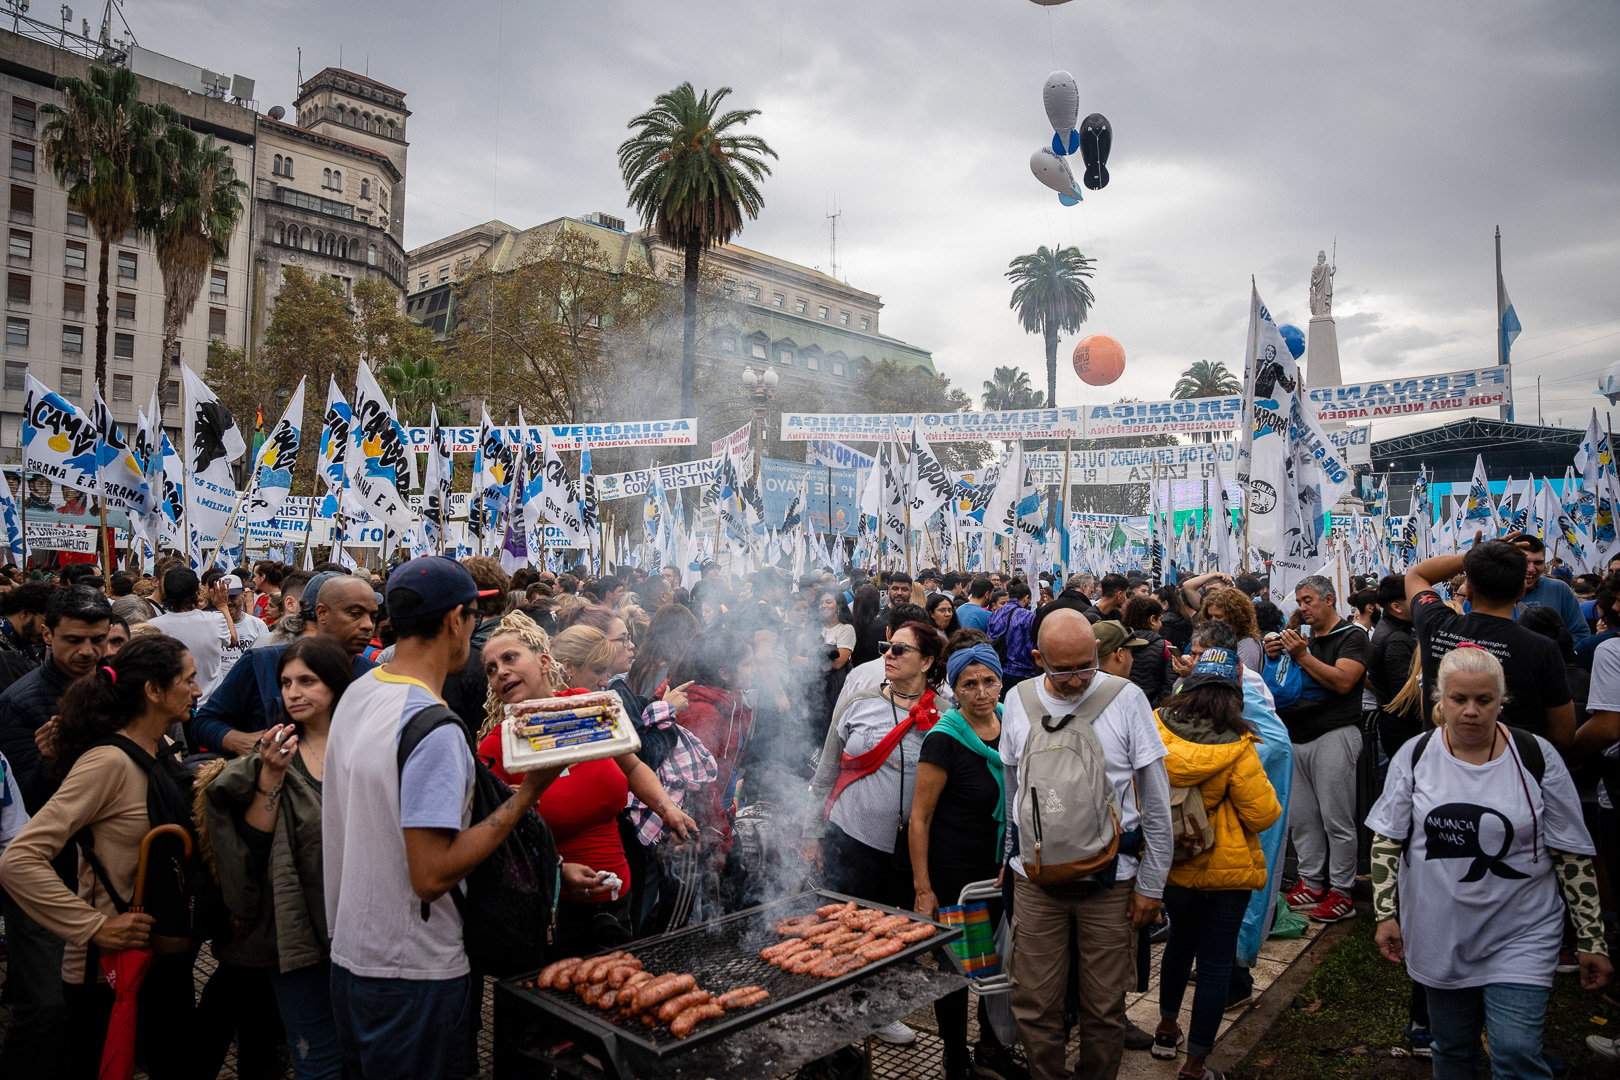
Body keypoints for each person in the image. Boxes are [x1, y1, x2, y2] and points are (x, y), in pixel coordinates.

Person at [322, 556, 561, 1080]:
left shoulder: (360, 693)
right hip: (413, 971)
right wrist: (527, 795)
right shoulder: (434, 727)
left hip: (350, 958)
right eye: (475, 620)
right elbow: (431, 875)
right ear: (456, 620)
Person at [1368, 646, 1610, 1079]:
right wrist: (1386, 913)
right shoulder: (1416, 755)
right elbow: (1387, 840)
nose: (1472, 711)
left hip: (1522, 932)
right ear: (1439, 697)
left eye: (1485, 700)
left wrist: (1591, 938)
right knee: (1454, 1050)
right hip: (1439, 931)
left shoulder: (1536, 756)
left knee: (1516, 1054)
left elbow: (1571, 854)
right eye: (1459, 699)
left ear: (1503, 700)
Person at [0, 637, 202, 1080]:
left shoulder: (160, 744)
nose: (198, 690)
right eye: (188, 680)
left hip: (157, 962)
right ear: (153, 690)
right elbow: (19, 859)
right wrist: (96, 926)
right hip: (107, 973)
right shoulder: (107, 761)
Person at [1002, 609, 1173, 1080]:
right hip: (1037, 883)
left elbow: (1156, 800)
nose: (1078, 680)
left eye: (1087, 666)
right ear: (1039, 659)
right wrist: (1007, 859)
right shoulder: (1017, 700)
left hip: (1111, 883)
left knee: (1104, 1008)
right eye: (1064, 670)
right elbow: (1013, 789)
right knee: (1034, 1004)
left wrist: (1152, 884)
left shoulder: (1127, 698)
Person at [476, 611, 695, 948]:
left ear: (545, 662)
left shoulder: (585, 709)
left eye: (510, 658)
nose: (500, 671)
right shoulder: (497, 747)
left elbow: (633, 767)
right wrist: (556, 872)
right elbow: (488, 843)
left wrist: (666, 808)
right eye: (491, 669)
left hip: (619, 897)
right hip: (552, 914)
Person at [197, 636, 354, 1080]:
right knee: (315, 1057)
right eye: (286, 682)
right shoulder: (277, 750)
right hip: (298, 926)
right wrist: (271, 776)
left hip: (360, 923)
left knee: (360, 1045)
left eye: (308, 681)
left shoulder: (368, 745)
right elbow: (253, 845)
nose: (294, 692)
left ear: (337, 685)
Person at [806, 620, 944, 1046]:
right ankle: (835, 1003)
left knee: (889, 928)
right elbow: (827, 770)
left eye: (901, 650)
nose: (888, 654)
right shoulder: (859, 702)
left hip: (908, 847)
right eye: (887, 646)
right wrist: (811, 832)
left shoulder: (948, 712)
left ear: (927, 661)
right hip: (851, 835)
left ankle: (877, 1008)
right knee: (843, 924)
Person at [1150, 648, 1281, 1080]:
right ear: (1235, 693)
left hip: (1175, 861)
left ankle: (1166, 1030)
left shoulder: (1157, 727)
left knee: (1178, 944)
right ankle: (1196, 1066)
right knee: (1215, 964)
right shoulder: (1240, 746)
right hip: (1227, 871)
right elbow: (1262, 815)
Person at [0, 585, 110, 1074]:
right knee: (45, 1003)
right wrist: (47, 762)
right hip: (48, 875)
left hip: (105, 871)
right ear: (47, 633)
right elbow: (18, 807)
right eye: (74, 641)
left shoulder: (116, 688)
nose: (87, 652)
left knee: (93, 998)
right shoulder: (21, 702)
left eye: (99, 640)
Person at [909, 641, 1019, 1080]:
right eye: (968, 684)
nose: (981, 692)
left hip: (1003, 869)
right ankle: (956, 1061)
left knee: (1001, 966)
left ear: (1001, 680)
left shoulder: (1014, 725)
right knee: (958, 970)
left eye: (989, 680)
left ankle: (992, 1047)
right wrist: (924, 888)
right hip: (958, 877)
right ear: (954, 689)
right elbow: (919, 818)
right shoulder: (944, 739)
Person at [1405, 536, 1575, 746]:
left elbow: (1417, 573)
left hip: (1441, 765)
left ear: (1469, 592)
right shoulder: (1543, 649)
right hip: (1513, 767)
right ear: (1521, 591)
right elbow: (1563, 734)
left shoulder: (1436, 624)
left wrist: (1477, 555)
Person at [1267, 575, 1368, 924]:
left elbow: (1343, 682)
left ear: (1329, 599)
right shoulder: (1302, 638)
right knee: (1302, 819)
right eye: (1300, 600)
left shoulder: (1353, 636)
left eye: (1309, 599)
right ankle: (1311, 883)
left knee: (1336, 819)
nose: (1303, 607)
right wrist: (1275, 657)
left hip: (1334, 734)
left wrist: (1301, 655)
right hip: (1296, 736)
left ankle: (1341, 892)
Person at [192, 576, 380, 757]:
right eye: (355, 614)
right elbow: (204, 723)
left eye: (373, 616)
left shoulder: (375, 678)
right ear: (322, 613)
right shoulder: (263, 663)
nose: (368, 625)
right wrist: (240, 741)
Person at [150, 567, 238, 701]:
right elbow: (232, 640)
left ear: (165, 594)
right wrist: (222, 607)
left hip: (173, 704)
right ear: (197, 594)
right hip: (210, 703)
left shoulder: (153, 626)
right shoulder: (215, 620)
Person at [1367, 573, 1420, 757]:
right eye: (1415, 598)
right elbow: (1406, 695)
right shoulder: (1395, 639)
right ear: (1396, 607)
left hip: (1398, 727)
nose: (1421, 602)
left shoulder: (1393, 629)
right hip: (1405, 731)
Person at [1512, 533, 1591, 645]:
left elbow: (1581, 634)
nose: (1531, 569)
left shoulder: (1559, 589)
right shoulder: (1492, 591)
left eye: (1538, 562)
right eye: (1524, 562)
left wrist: (1554, 654)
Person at [212, 572, 269, 683]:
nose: (228, 602)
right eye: (225, 598)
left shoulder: (257, 625)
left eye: (233, 597)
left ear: (243, 595)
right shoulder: (211, 624)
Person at [1123, 596, 1176, 705]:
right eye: (1160, 619)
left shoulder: (1117, 643)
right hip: (1153, 708)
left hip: (1123, 706)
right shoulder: (1165, 646)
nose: (1161, 624)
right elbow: (1169, 684)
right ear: (1152, 619)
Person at [1196, 587, 1264, 672]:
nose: (1213, 621)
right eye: (1210, 616)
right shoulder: (1218, 639)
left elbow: (1240, 679)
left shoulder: (1247, 645)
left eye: (1219, 617)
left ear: (1235, 617)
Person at [988, 581, 1039, 691]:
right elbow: (1031, 644)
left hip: (999, 668)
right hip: (1022, 671)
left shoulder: (995, 614)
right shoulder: (1028, 616)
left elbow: (989, 638)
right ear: (1026, 598)